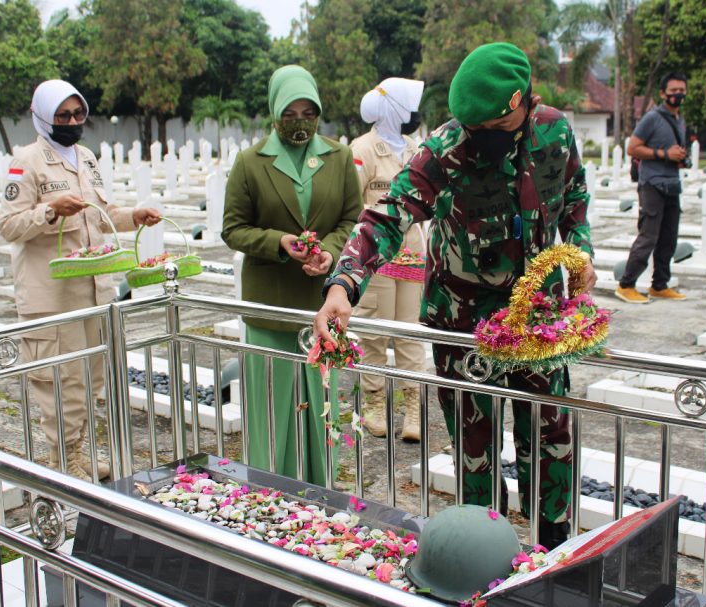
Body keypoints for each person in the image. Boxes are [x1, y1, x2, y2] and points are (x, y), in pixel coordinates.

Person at [314, 42, 595, 549]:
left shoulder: (555, 130)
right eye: (471, 129)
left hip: (540, 319)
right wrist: (344, 284)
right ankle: (483, 553)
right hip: (464, 322)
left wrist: (580, 251)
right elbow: (388, 213)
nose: (477, 139)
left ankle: (554, 553)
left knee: (551, 440)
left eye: (488, 129)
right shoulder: (444, 149)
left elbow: (574, 196)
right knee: (474, 449)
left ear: (520, 104)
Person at [0, 80, 161, 482]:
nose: (72, 122)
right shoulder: (26, 162)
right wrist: (49, 212)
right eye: (63, 116)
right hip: (52, 294)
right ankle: (63, 460)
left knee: (91, 379)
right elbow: (8, 226)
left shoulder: (85, 157)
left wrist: (133, 216)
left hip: (93, 289)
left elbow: (100, 214)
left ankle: (79, 452)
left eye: (78, 114)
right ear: (42, 117)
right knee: (61, 384)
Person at [221, 65, 362, 485]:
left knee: (320, 402)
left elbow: (352, 219)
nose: (300, 122)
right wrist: (279, 243)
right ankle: (269, 486)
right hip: (270, 306)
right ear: (274, 112)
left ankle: (321, 485)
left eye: (308, 113)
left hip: (322, 302)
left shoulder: (338, 158)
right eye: (290, 113)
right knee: (272, 403)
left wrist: (332, 253)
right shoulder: (251, 162)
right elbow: (233, 228)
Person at [351, 77, 427, 442]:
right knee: (375, 334)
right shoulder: (363, 149)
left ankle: (413, 408)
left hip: (412, 256)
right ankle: (374, 404)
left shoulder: (416, 149)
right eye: (408, 106)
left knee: (410, 336)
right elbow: (353, 205)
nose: (413, 114)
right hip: (377, 258)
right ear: (392, 108)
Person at [617, 72, 690, 304]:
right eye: (673, 91)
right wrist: (663, 154)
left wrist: (677, 158)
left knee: (669, 237)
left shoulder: (680, 120)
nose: (678, 95)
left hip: (672, 184)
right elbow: (633, 148)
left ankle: (660, 285)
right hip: (652, 184)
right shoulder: (652, 118)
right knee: (648, 235)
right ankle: (626, 284)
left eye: (681, 90)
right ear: (662, 93)